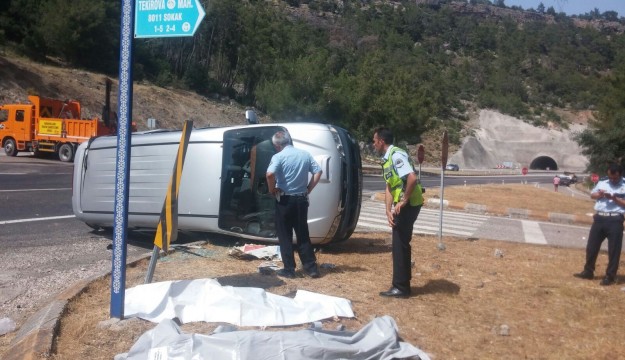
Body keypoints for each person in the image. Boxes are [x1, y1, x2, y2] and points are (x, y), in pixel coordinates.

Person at [372, 127, 424, 298]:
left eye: (374, 141)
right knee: (400, 244)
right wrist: (387, 209)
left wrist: (404, 200)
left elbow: (411, 178)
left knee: (400, 244)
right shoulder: (387, 159)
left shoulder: (396, 155)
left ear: (381, 141)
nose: (373, 144)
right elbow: (389, 185)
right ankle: (402, 283)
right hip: (401, 205)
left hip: (409, 205)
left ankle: (400, 287)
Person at [266, 131, 322, 279]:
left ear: (277, 145)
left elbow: (270, 174)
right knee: (303, 234)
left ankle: (289, 269)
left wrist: (272, 189)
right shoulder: (305, 154)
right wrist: (308, 189)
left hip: (285, 200)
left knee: (285, 235)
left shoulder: (278, 156)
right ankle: (311, 268)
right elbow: (318, 171)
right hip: (301, 200)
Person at [574, 163, 625, 286]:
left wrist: (614, 199)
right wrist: (600, 194)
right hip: (599, 218)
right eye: (610, 177)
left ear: (620, 175)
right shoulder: (603, 182)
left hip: (615, 220)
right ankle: (588, 271)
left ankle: (610, 276)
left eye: (615, 178)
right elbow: (592, 195)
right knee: (591, 247)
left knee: (614, 250)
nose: (612, 180)